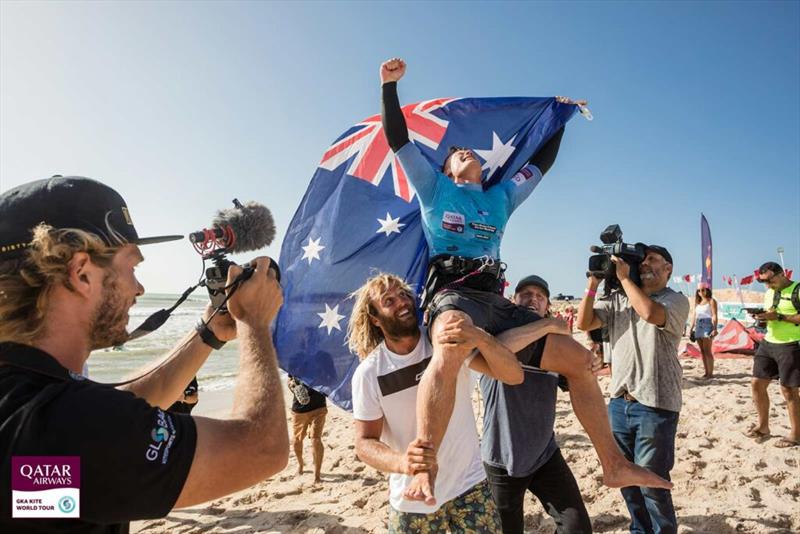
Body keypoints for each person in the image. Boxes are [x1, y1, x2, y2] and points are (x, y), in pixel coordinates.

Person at [380, 57, 669, 505]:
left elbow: (541, 164)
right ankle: (426, 465)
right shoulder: (434, 188)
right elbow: (397, 139)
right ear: (448, 168)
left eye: (471, 152)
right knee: (451, 343)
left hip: (495, 302)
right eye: (458, 153)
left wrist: (563, 118)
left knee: (575, 359)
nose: (468, 153)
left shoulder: (501, 197)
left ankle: (613, 464)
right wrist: (389, 87)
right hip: (452, 295)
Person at [0, 176, 288, 533]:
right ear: (81, 273)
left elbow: (107, 423)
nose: (139, 288)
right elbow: (262, 449)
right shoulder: (67, 425)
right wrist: (254, 323)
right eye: (131, 267)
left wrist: (208, 334)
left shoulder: (29, 400)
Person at [348, 273, 560, 532]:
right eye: (389, 301)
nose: (402, 302)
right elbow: (365, 442)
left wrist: (480, 337)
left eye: (404, 295)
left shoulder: (444, 340)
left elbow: (513, 375)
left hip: (470, 487)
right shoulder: (370, 373)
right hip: (413, 498)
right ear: (374, 318)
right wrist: (402, 462)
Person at [577, 246, 690, 534]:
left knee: (651, 482)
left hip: (656, 403)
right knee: (625, 478)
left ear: (668, 269)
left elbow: (651, 313)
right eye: (644, 260)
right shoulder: (619, 299)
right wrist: (593, 282)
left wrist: (626, 280)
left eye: (653, 259)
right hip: (619, 402)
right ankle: (640, 530)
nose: (645, 265)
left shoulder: (675, 300)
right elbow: (583, 322)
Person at [481, 275, 592, 534]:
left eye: (540, 297)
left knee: (578, 528)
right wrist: (547, 325)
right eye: (526, 294)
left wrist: (590, 366)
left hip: (544, 454)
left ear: (547, 306)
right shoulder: (496, 331)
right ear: (513, 300)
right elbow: (501, 348)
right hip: (501, 459)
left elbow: (577, 381)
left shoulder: (557, 347)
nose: (533, 299)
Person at [746, 262, 800, 448]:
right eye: (763, 282)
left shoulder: (797, 290)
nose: (767, 285)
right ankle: (763, 427)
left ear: (781, 274)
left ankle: (795, 434)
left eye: (770, 280)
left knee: (788, 390)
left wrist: (780, 317)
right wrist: (761, 318)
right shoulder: (769, 293)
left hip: (791, 345)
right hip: (768, 343)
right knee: (757, 383)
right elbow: (771, 315)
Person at [288, 375, 328, 482]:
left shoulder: (323, 358)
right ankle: (301, 465)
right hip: (300, 409)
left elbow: (331, 378)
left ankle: (317, 475)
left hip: (319, 406)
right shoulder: (295, 359)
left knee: (316, 439)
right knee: (297, 439)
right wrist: (292, 386)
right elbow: (290, 379)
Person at [687, 286, 718, 378]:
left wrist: (715, 328)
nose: (701, 292)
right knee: (702, 351)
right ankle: (706, 372)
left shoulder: (711, 301)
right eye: (699, 291)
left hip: (707, 324)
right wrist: (691, 328)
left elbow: (714, 315)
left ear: (707, 290)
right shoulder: (697, 303)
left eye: (703, 290)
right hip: (698, 325)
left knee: (707, 350)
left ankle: (710, 373)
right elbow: (694, 316)